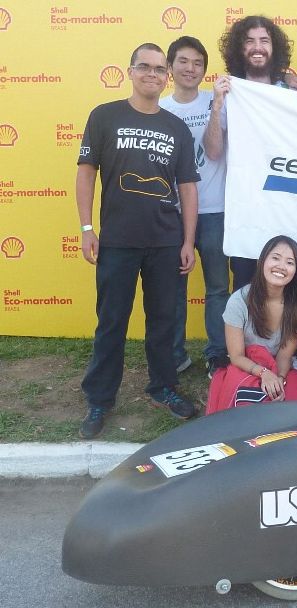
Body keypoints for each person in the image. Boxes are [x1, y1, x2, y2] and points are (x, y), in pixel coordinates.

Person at [77, 43, 199, 439]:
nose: (152, 74)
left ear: (167, 77)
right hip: (117, 240)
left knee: (163, 322)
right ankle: (100, 397)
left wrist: (188, 240)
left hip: (165, 242)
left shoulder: (176, 128)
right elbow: (85, 173)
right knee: (111, 321)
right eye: (144, 67)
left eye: (159, 69)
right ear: (130, 71)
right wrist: (86, 228)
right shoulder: (104, 116)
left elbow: (188, 188)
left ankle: (163, 387)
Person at [204, 15, 297, 290]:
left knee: (286, 281)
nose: (257, 47)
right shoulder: (229, 92)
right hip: (244, 207)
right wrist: (216, 107)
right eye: (249, 41)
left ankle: (287, 335)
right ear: (239, 49)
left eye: (264, 40)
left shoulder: (290, 90)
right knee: (244, 284)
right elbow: (214, 151)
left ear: (273, 47)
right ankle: (242, 335)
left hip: (286, 204)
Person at [161, 36, 229, 379]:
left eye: (197, 63)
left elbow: (217, 152)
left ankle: (218, 353)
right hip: (171, 214)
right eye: (183, 62)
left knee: (218, 286)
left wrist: (217, 105)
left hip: (215, 211)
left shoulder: (218, 100)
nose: (190, 69)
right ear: (170, 67)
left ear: (205, 69)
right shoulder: (158, 109)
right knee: (173, 288)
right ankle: (174, 355)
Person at [207, 235, 297, 413]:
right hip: (248, 364)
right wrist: (264, 373)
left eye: (289, 262)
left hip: (283, 366)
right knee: (245, 407)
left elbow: (284, 356)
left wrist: (279, 379)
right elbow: (236, 356)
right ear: (261, 261)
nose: (281, 266)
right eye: (275, 258)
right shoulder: (239, 301)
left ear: (295, 270)